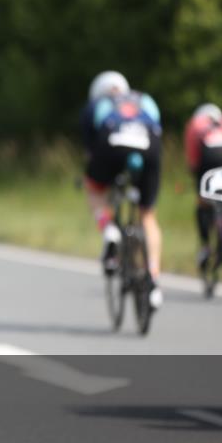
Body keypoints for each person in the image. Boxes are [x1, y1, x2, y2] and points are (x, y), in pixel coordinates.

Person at [80, 70, 164, 309]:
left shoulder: (98, 104)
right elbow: (157, 127)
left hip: (111, 144)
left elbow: (91, 150)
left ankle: (108, 229)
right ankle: (154, 279)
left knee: (94, 190)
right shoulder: (144, 99)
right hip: (149, 146)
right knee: (148, 215)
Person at [183, 103, 222, 267]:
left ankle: (206, 245)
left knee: (203, 201)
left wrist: (197, 180)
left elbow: (194, 163)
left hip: (209, 157)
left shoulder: (195, 125)